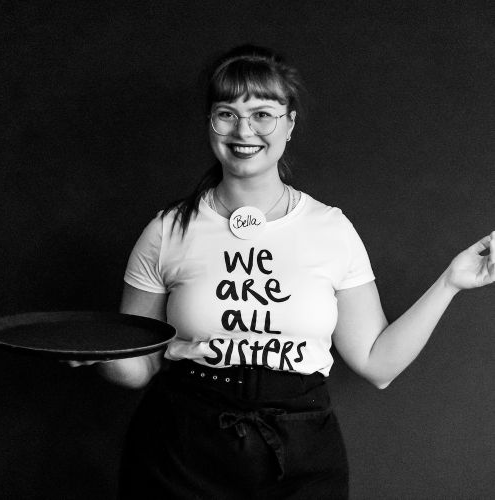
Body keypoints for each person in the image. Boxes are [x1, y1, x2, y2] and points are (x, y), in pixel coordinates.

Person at [91, 45, 494, 499]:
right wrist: (97, 352)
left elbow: (378, 364)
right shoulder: (168, 230)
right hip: (181, 451)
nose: (243, 130)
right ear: (210, 122)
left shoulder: (330, 229)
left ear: (290, 123)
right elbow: (138, 366)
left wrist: (450, 282)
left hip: (302, 454)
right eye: (226, 114)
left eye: (263, 114)